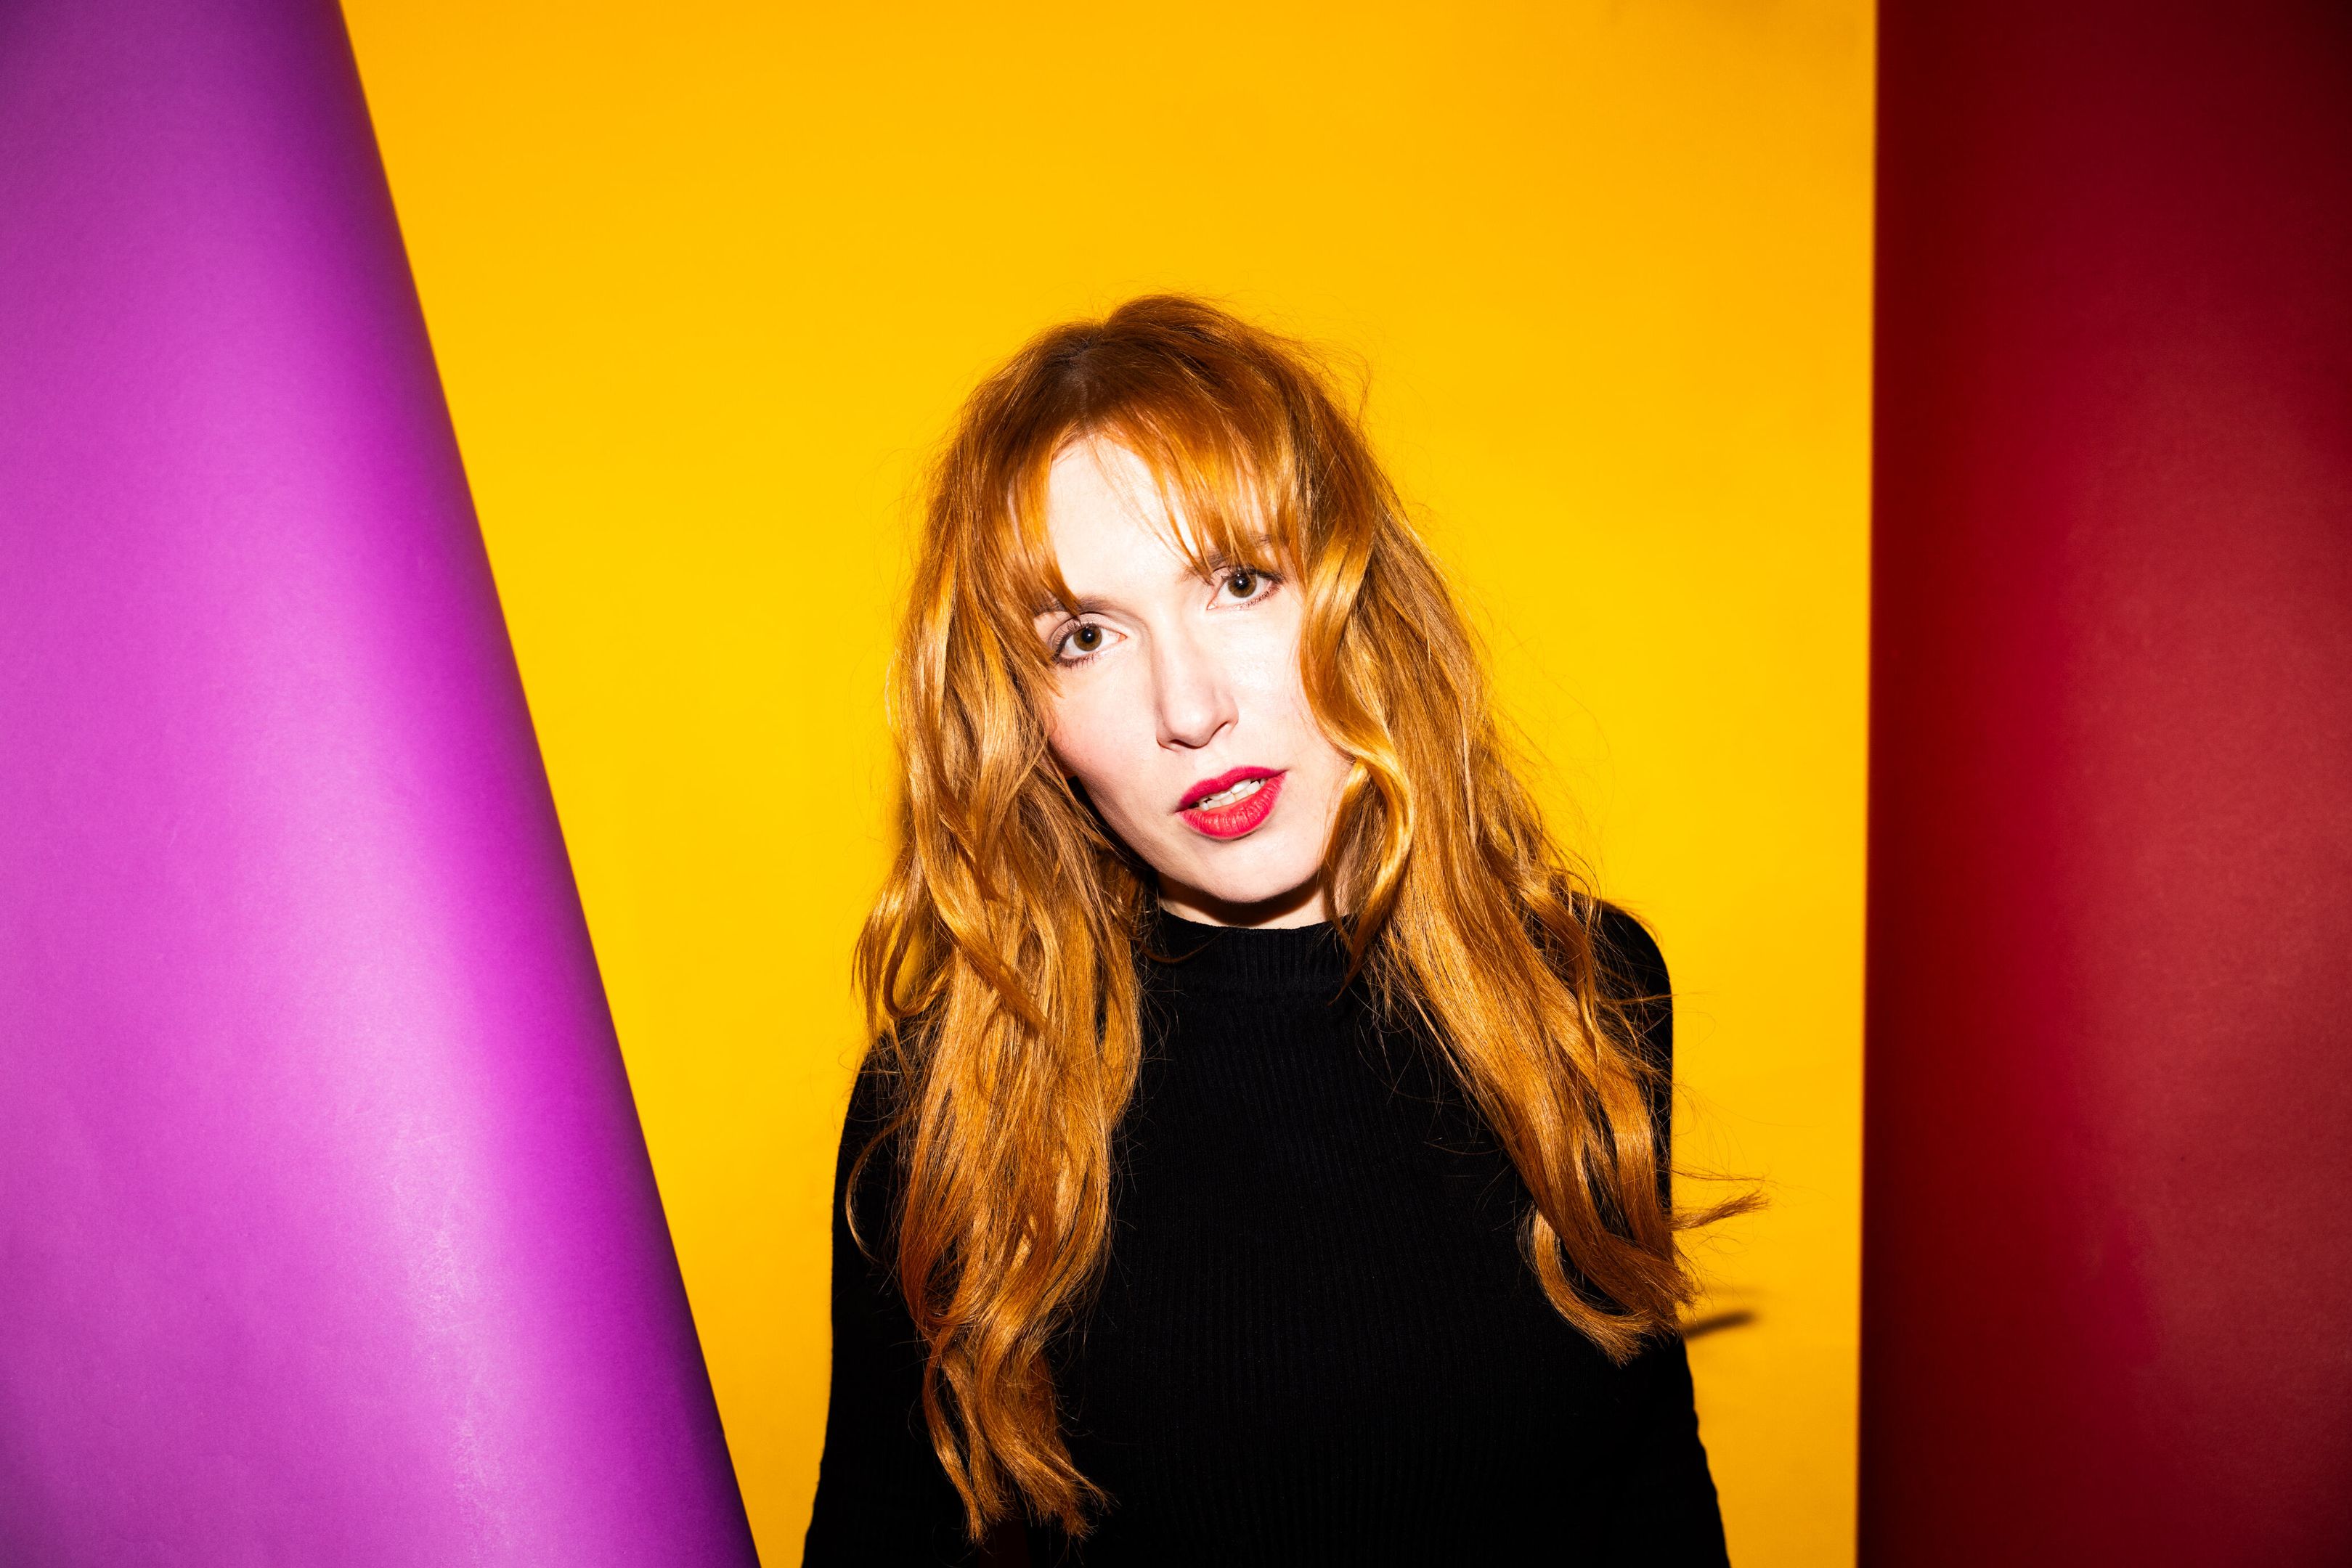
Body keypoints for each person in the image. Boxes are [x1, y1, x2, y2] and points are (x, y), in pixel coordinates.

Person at [805, 295, 1741, 1566]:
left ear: (1355, 598)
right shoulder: (954, 1102)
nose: (1189, 708)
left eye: (1238, 583)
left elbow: (1648, 1481)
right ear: (1027, 721)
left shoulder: (1583, 986)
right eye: (1086, 638)